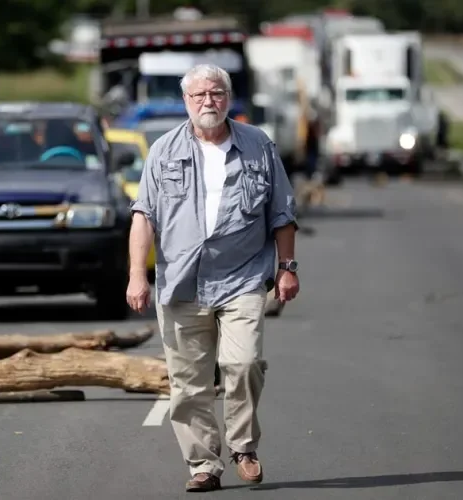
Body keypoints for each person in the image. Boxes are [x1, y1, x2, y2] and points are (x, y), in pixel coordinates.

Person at [126, 63, 300, 492]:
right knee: (188, 384)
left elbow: (282, 212)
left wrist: (287, 267)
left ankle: (243, 444)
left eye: (217, 93)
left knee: (241, 363)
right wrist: (136, 276)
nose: (209, 101)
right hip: (181, 282)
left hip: (242, 279)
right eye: (200, 95)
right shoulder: (163, 151)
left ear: (229, 97)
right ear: (186, 101)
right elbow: (143, 217)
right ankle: (202, 464)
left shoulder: (259, 145)